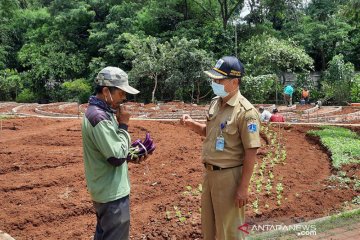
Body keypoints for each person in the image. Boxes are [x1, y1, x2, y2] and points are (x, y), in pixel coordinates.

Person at [180, 56, 261, 240]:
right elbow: (210, 132)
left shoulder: (246, 112)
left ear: (234, 82)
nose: (214, 83)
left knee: (230, 232)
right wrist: (191, 124)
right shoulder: (216, 102)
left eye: (219, 80)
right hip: (210, 175)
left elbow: (251, 151)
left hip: (229, 178)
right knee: (209, 229)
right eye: (214, 79)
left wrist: (243, 187)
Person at [82, 66, 145, 240]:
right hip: (112, 195)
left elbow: (111, 149)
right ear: (105, 91)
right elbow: (116, 157)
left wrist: (130, 155)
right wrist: (124, 125)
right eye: (121, 93)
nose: (124, 98)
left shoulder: (103, 112)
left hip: (106, 190)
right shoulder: (99, 117)